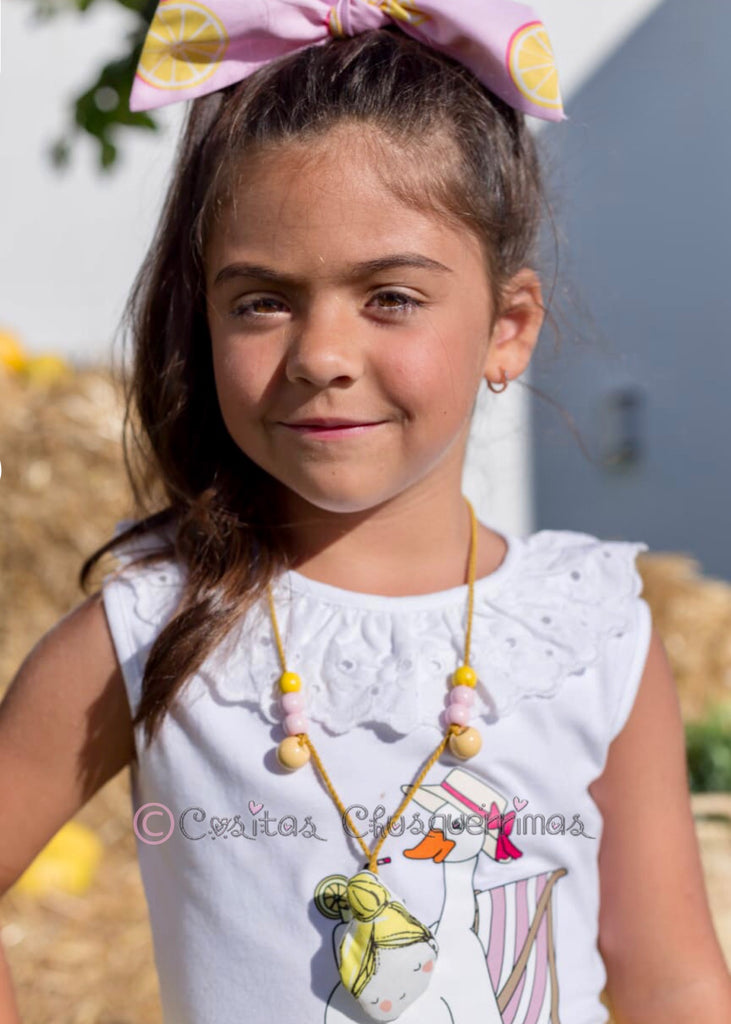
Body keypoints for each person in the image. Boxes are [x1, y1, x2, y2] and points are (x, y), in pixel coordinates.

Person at [1, 1, 730, 1022]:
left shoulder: (590, 630)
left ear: (507, 329)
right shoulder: (150, 630)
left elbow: (670, 980)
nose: (320, 356)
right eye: (260, 300)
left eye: (388, 296)